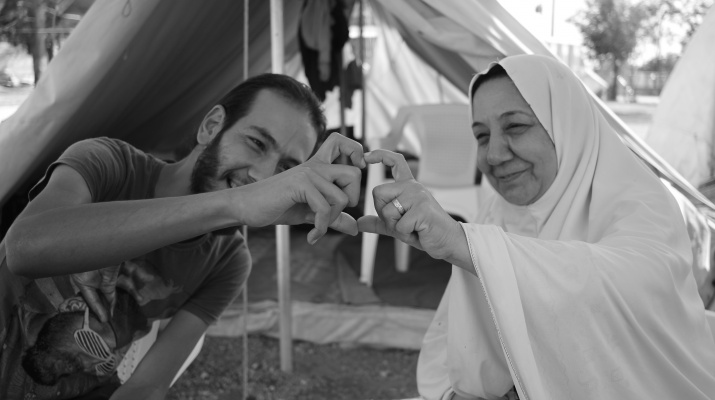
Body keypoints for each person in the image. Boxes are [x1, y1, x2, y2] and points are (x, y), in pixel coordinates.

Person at [358, 55, 715, 399]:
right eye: (482, 136)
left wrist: (466, 244)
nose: (494, 155)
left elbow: (632, 290)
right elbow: (455, 336)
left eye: (515, 126)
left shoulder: (641, 204)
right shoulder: (500, 212)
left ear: (568, 125)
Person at [0, 73, 366, 399]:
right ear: (211, 126)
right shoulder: (107, 163)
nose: (264, 176)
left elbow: (148, 384)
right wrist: (236, 202)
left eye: (286, 169)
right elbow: (23, 248)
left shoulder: (229, 260)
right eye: (256, 143)